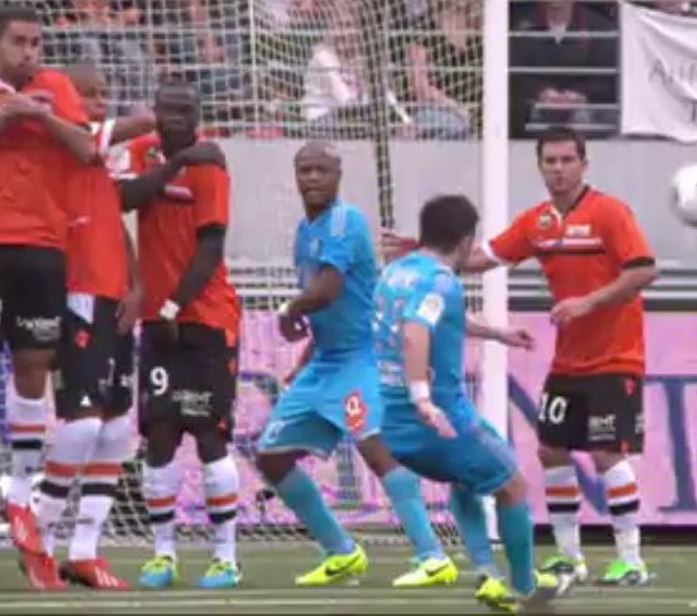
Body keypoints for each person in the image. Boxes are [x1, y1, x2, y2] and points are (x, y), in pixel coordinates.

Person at [382, 127, 659, 586]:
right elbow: (479, 258)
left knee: (607, 451)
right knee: (552, 450)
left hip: (616, 355)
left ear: (584, 164)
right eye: (550, 161)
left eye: (568, 160)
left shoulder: (610, 214)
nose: (559, 169)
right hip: (569, 359)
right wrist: (423, 248)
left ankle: (631, 559)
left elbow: (645, 269)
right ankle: (570, 556)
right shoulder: (538, 223)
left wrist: (586, 303)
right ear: (540, 166)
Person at [253, 142, 457, 589]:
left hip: (363, 356)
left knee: (373, 445)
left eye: (320, 170)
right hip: (326, 360)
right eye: (304, 170)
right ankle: (341, 552)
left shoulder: (347, 222)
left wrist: (289, 309)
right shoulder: (306, 231)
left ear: (338, 173)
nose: (311, 178)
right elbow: (324, 306)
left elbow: (327, 290)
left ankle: (432, 555)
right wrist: (303, 340)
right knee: (271, 455)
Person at [0, 3, 97, 558]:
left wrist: (39, 114)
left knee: (33, 370)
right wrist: (3, 118)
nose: (31, 51)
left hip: (46, 251)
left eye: (36, 42)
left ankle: (22, 502)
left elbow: (86, 150)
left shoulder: (57, 88)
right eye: (20, 42)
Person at [377, 194, 572, 611]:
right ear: (465, 241)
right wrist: (424, 401)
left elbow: (438, 318)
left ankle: (488, 574)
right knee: (513, 485)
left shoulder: (396, 272)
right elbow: (415, 331)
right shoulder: (441, 280)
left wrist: (497, 333)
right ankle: (524, 585)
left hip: (390, 420)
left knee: (468, 480)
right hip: (436, 419)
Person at [20, 64, 154, 591]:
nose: (99, 102)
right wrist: (157, 116)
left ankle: (84, 551)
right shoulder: (63, 145)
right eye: (89, 95)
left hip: (113, 294)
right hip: (76, 294)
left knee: (117, 427)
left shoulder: (96, 160)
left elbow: (113, 220)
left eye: (105, 93)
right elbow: (139, 124)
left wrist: (137, 283)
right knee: (83, 423)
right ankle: (38, 539)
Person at [118, 80, 242, 589]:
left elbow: (210, 249)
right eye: (167, 110)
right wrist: (170, 164)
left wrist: (172, 304)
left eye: (185, 112)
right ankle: (163, 554)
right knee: (161, 432)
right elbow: (123, 198)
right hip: (158, 321)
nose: (175, 119)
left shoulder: (211, 165)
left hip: (206, 318)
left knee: (209, 433)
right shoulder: (142, 153)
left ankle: (226, 558)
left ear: (197, 116)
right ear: (156, 113)